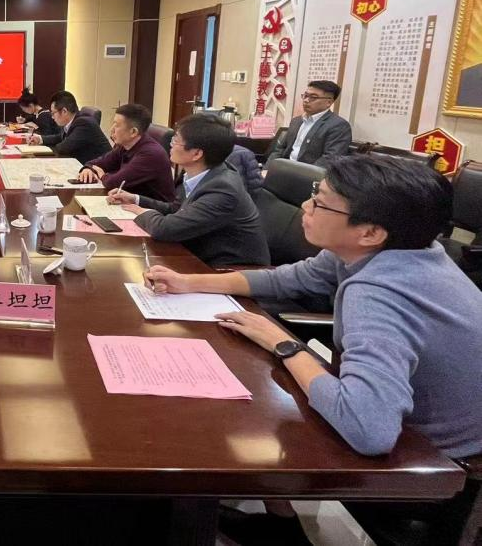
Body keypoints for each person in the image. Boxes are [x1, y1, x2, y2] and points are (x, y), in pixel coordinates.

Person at [145, 155, 482, 544]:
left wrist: (284, 345)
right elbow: (290, 279)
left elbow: (369, 429)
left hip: (439, 458)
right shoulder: (397, 251)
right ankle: (280, 522)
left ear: (370, 232)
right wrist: (190, 283)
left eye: (320, 202)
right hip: (399, 412)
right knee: (266, 389)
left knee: (247, 407)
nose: (305, 206)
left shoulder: (379, 293)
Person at [110, 113, 269, 267]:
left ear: (197, 153)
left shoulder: (223, 190)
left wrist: (142, 212)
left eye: (176, 140)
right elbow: (176, 209)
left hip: (227, 270)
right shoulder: (197, 172)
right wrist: (136, 199)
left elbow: (164, 229)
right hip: (195, 253)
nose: (170, 145)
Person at [77, 103, 175, 202]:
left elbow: (114, 183)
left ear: (133, 132)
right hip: (129, 203)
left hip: (152, 209)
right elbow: (98, 162)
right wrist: (88, 169)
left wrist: (103, 176)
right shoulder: (125, 145)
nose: (112, 130)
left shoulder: (151, 154)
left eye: (117, 125)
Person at [266, 80, 352, 168]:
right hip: (283, 169)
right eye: (305, 96)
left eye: (313, 97)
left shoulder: (339, 126)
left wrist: (302, 174)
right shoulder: (296, 121)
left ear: (329, 102)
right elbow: (280, 150)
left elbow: (329, 159)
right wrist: (268, 169)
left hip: (308, 173)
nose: (306, 100)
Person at [28, 90, 111, 165]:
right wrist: (40, 139)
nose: (52, 117)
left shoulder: (84, 123)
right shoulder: (72, 121)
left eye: (53, 113)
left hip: (101, 170)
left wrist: (42, 150)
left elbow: (63, 148)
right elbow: (60, 137)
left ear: (64, 111)